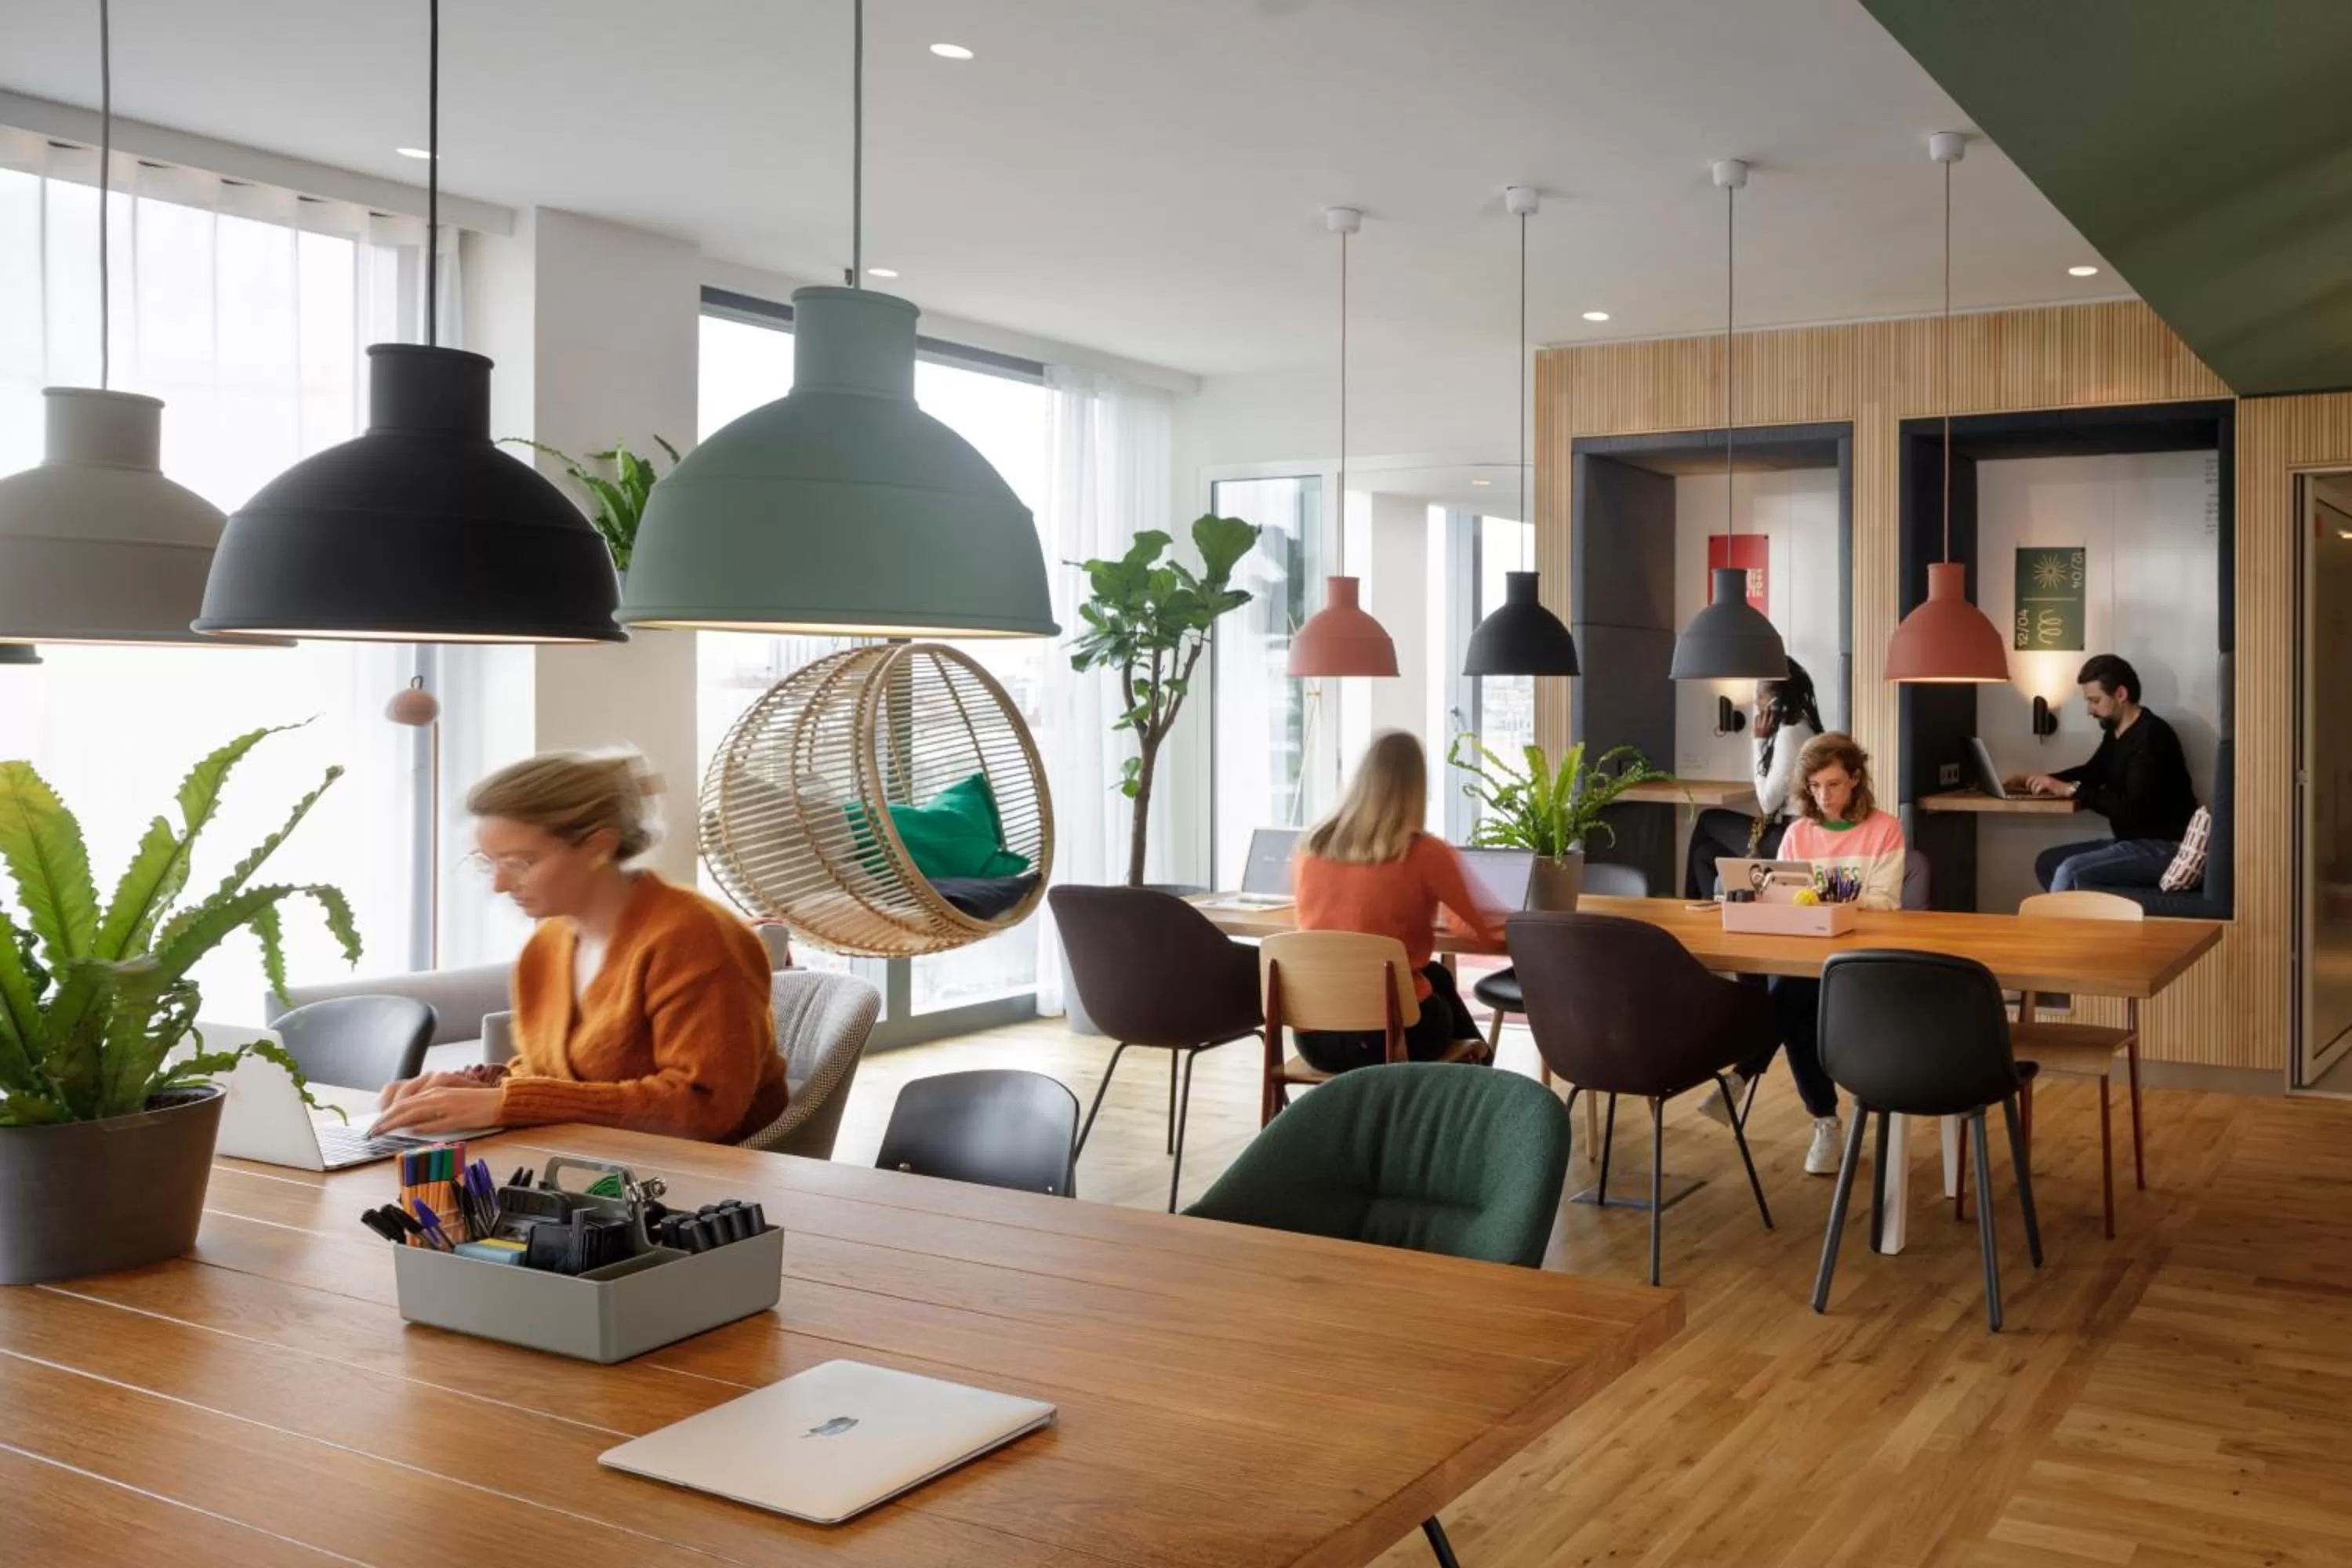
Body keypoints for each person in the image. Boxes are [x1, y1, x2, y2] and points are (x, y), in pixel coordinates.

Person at [372, 750, 786, 1143]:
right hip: (580, 1169)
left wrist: (509, 1103)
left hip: (696, 1188)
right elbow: (561, 1076)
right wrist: (478, 1085)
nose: (499, 885)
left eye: (520, 863)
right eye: (488, 863)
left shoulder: (696, 938)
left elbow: (702, 1107)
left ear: (597, 847)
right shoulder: (547, 945)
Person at [1704, 732, 1905, 1175]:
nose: (1823, 795)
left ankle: (1750, 1078)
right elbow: (1785, 898)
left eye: (1833, 784)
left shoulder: (1884, 829)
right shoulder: (1798, 833)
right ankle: (1825, 1121)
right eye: (1814, 786)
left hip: (1860, 958)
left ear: (1855, 779)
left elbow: (1885, 902)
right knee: (1795, 996)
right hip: (1805, 951)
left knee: (1792, 998)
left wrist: (1821, 898)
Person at [1290, 731, 1503, 1073]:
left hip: (1316, 1037)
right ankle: (1482, 1081)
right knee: (1431, 999)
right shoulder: (1422, 852)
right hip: (1391, 1036)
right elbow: (1479, 927)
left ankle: (1483, 1070)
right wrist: (1527, 927)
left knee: (1436, 976)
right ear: (1416, 789)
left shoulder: (1311, 848)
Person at [2010, 654, 2199, 895]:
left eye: (2095, 701)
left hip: (2164, 847)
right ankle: (2087, 924)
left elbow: (2131, 808)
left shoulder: (2152, 737)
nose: (2090, 710)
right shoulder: (2116, 731)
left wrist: (2070, 789)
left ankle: (2056, 932)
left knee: (2070, 870)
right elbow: (2093, 772)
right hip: (2132, 843)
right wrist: (2039, 781)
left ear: (2120, 694)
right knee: (2048, 863)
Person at [1682, 658, 1824, 898]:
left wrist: (1758, 742)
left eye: (1760, 695)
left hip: (1788, 836)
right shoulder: (1802, 726)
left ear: (1776, 699)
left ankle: (1690, 905)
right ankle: (1706, 908)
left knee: (1708, 819)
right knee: (1704, 854)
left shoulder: (1790, 734)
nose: (1756, 703)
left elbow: (1768, 801)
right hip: (1783, 829)